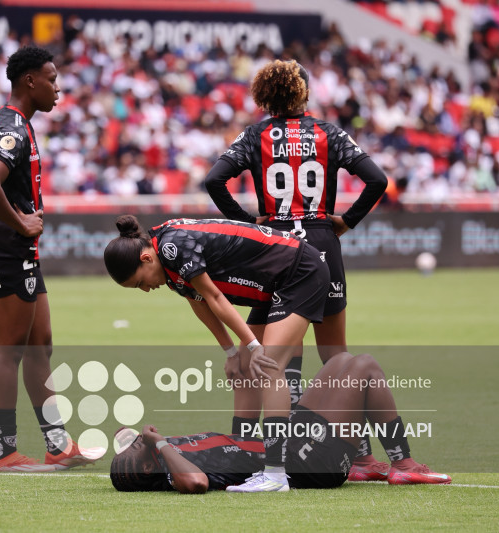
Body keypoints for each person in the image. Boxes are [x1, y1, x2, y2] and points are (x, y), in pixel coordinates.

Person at [204, 59, 390, 480]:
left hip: (274, 248)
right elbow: (376, 179)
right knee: (336, 357)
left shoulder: (255, 135)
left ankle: (273, 451)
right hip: (323, 241)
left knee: (280, 355)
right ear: (303, 93)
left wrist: (248, 223)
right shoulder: (328, 132)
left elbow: (215, 180)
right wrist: (346, 221)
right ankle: (358, 457)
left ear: (265, 96)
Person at [104, 215, 331, 491]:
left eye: (140, 283)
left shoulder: (171, 247)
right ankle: (244, 459)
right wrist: (233, 352)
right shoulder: (165, 260)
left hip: (299, 271)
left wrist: (254, 347)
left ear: (146, 259)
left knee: (268, 366)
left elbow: (214, 297)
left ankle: (275, 475)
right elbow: (199, 302)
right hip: (274, 282)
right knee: (246, 366)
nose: (146, 290)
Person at [0, 46, 103, 472]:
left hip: (21, 250)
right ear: (30, 80)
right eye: (51, 78)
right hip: (7, 247)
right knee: (8, 350)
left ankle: (58, 443)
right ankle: (4, 453)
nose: (58, 88)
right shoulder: (12, 126)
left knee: (40, 347)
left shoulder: (17, 123)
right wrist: (21, 222)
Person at [109, 351, 451, 493]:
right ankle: (403, 464)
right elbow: (195, 483)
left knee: (343, 361)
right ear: (148, 466)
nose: (141, 439)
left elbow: (232, 445)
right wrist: (158, 442)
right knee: (364, 369)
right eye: (138, 448)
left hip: (294, 442)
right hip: (310, 463)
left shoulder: (165, 456)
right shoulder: (172, 468)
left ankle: (362, 462)